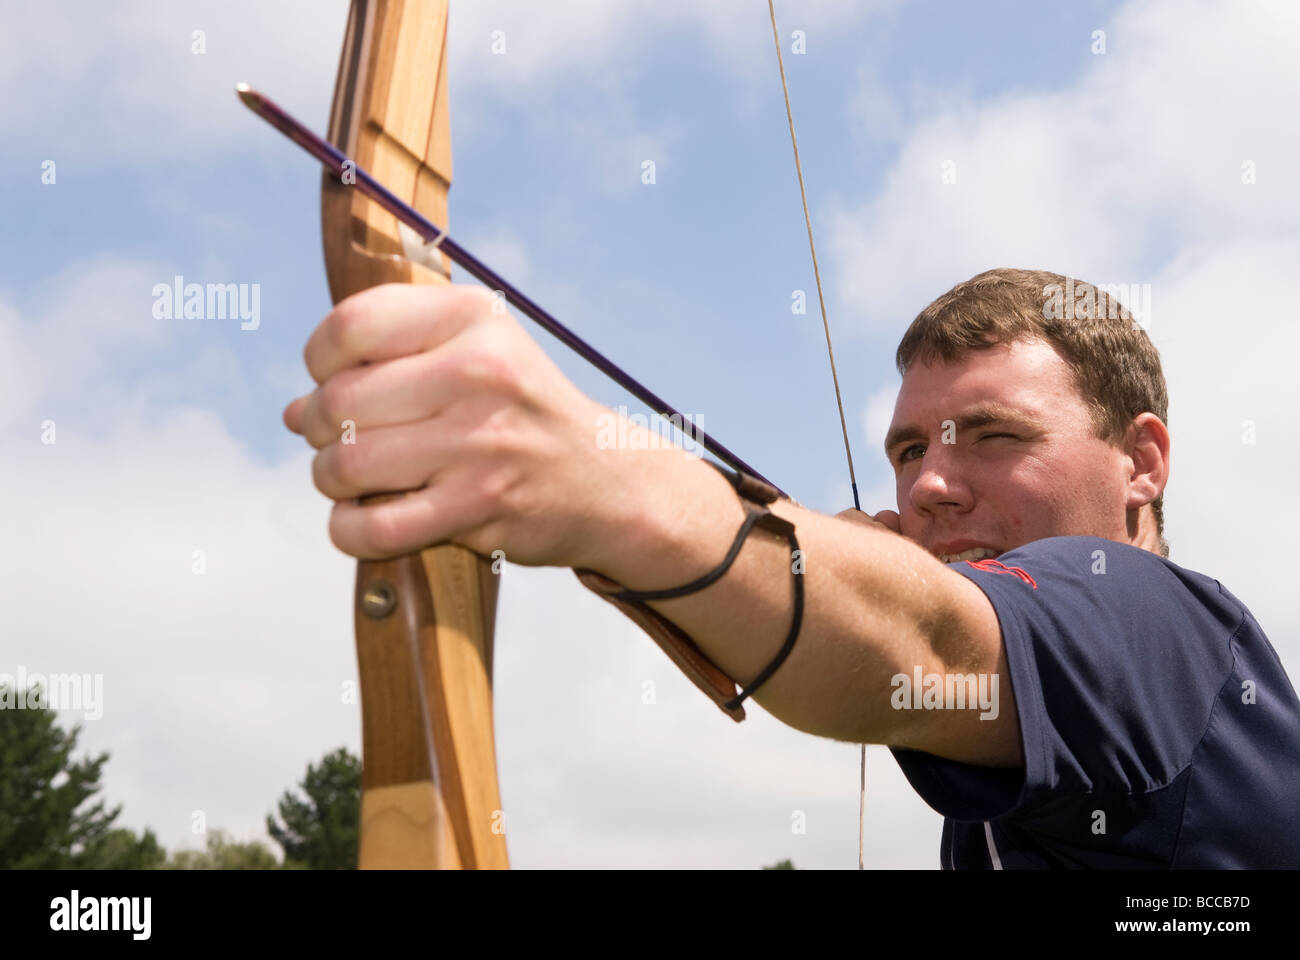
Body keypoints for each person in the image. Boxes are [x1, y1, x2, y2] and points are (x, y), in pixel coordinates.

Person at [284, 267, 1300, 868]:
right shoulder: (1038, 753)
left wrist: (603, 485)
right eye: (910, 451)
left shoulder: (1144, 617)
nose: (931, 487)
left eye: (991, 436)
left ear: (1141, 462)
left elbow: (926, 636)